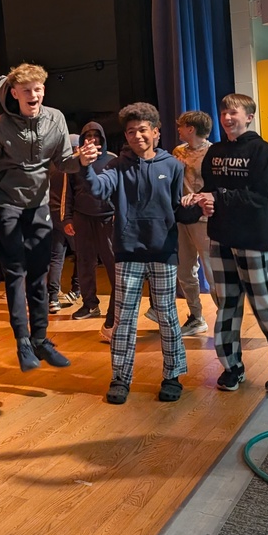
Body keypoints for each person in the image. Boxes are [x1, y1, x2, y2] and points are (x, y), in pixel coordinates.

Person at [84, 104, 199, 405]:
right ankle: (121, 378)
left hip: (163, 251)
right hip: (128, 252)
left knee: (168, 316)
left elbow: (179, 207)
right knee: (123, 320)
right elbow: (97, 189)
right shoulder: (116, 167)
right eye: (131, 131)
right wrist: (85, 167)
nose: (137, 136)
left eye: (143, 130)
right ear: (126, 136)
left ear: (156, 132)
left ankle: (172, 375)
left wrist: (195, 206)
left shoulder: (173, 166)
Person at [191, 94, 268, 395]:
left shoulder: (261, 150)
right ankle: (232, 368)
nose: (228, 118)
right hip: (220, 238)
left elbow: (259, 198)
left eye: (234, 112)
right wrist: (198, 201)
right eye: (224, 112)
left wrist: (220, 198)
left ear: (249, 116)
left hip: (254, 239)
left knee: (264, 305)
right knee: (226, 305)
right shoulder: (214, 151)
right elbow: (211, 189)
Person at [0, 63, 90, 371]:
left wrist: (80, 160)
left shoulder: (55, 118)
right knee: (16, 274)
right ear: (14, 93)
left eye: (38, 89)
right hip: (8, 206)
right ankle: (22, 344)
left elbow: (63, 162)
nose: (34, 95)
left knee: (39, 276)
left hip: (39, 206)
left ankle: (41, 340)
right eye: (27, 90)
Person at [169, 110, 214, 336]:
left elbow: (216, 185)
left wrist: (199, 197)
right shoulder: (178, 151)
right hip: (182, 217)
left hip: (204, 219)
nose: (178, 129)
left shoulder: (212, 152)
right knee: (185, 269)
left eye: (182, 126)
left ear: (191, 129)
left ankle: (226, 317)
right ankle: (196, 316)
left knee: (211, 269)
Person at [70, 122, 117, 334]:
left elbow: (120, 190)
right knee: (84, 262)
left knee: (113, 263)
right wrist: (66, 219)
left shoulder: (113, 160)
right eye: (87, 135)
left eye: (96, 135)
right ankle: (90, 304)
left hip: (107, 219)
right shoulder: (75, 162)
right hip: (82, 217)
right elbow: (67, 192)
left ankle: (117, 307)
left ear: (102, 138)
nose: (92, 139)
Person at [47, 135, 82, 314]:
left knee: (56, 256)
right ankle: (76, 291)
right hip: (69, 216)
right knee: (82, 254)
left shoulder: (53, 165)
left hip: (52, 214)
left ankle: (52, 298)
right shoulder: (74, 167)